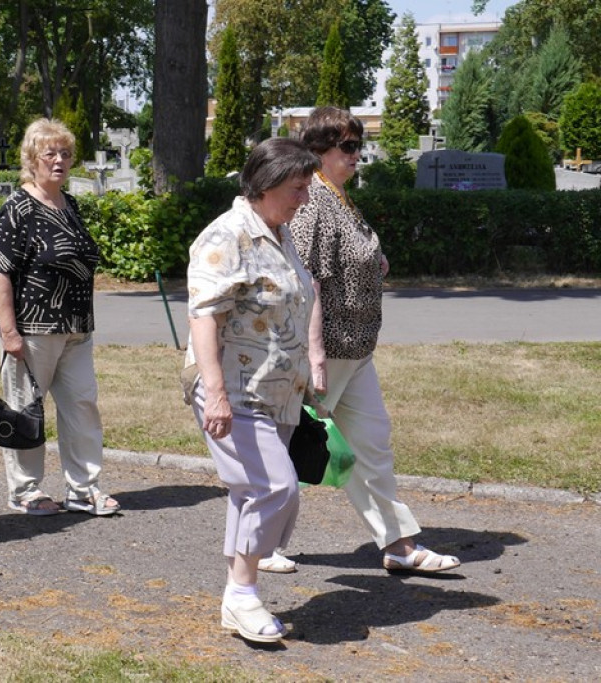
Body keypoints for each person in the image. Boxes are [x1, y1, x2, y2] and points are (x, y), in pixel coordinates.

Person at [279, 105, 460, 575]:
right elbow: (306, 279)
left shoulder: (339, 197)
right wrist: (313, 354)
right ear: (318, 151)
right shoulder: (312, 201)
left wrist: (373, 262)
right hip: (328, 347)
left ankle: (398, 545)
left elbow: (350, 257)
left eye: (359, 145)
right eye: (349, 146)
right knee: (295, 446)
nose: (358, 155)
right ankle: (261, 543)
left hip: (356, 347)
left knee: (372, 443)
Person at [184, 137, 319, 644]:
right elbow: (203, 317)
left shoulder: (278, 232)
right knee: (274, 487)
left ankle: (237, 597)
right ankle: (243, 594)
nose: (304, 196)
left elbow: (301, 297)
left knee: (252, 491)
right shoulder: (227, 236)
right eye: (297, 187)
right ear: (264, 186)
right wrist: (215, 393)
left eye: (306, 186)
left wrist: (312, 367)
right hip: (233, 389)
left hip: (277, 391)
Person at [0, 118, 119, 517]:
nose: (59, 160)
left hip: (76, 327)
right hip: (32, 329)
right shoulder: (18, 208)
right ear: (32, 159)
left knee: (82, 405)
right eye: (51, 154)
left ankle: (83, 489)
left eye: (64, 153)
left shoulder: (69, 203)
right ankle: (25, 490)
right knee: (26, 409)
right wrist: (9, 332)